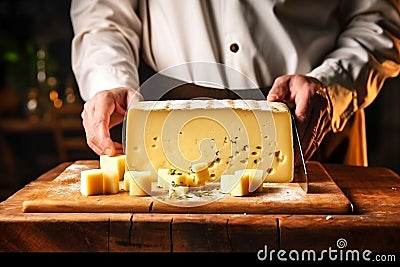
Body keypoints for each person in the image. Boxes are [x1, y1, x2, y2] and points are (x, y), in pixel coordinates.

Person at [70, 0, 400, 167]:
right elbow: (102, 13)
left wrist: (330, 85)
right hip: (175, 129)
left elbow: (377, 20)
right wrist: (108, 79)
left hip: (310, 122)